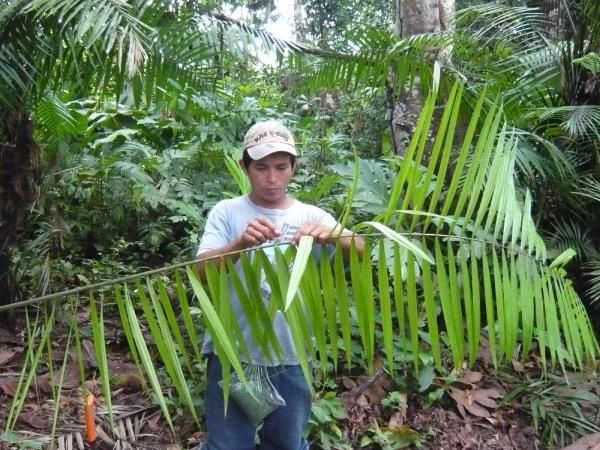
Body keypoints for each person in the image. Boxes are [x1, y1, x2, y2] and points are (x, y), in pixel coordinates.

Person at [195, 120, 364, 450]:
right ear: (245, 167)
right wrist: (238, 245)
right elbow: (200, 271)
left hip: (290, 355)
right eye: (261, 168)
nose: (271, 178)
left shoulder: (311, 216)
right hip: (232, 353)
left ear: (292, 168)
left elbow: (359, 250)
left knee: (287, 444)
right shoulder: (227, 212)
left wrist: (333, 236)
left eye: (280, 167)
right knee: (227, 445)